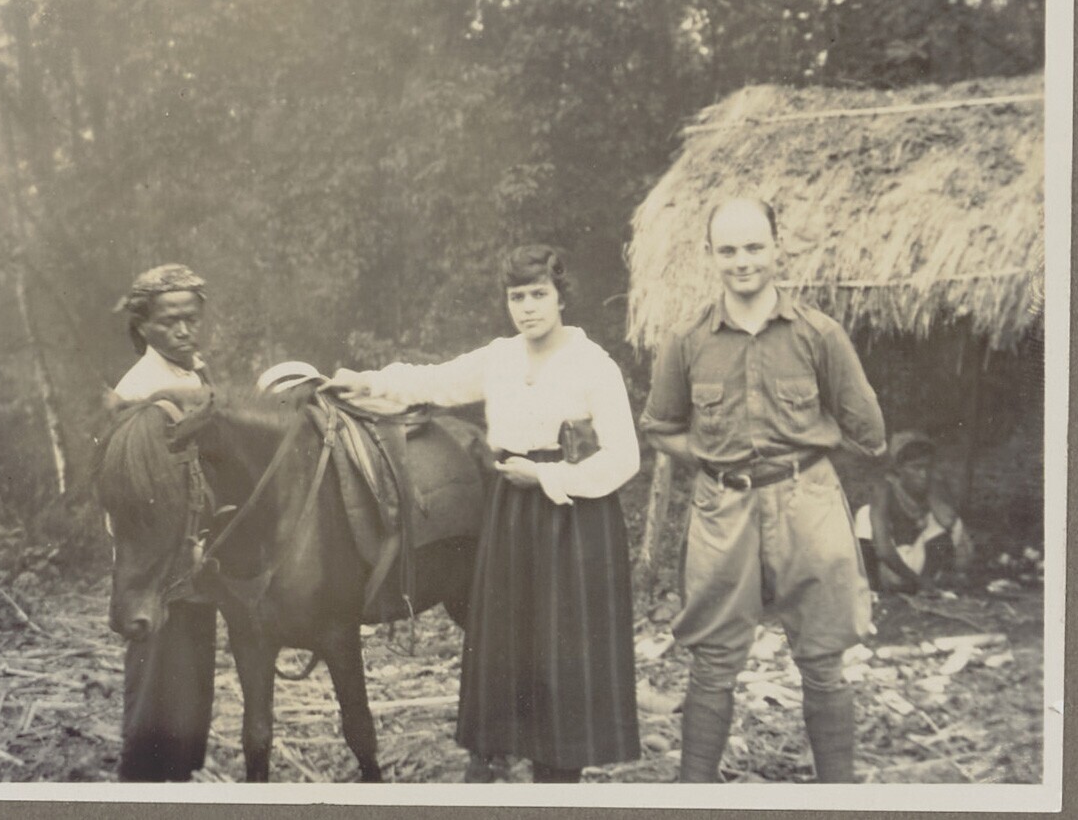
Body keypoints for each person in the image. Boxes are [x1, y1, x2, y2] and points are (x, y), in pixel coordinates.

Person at [325, 245, 642, 783]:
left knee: (562, 644)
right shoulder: (501, 358)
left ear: (561, 297)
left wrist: (550, 478)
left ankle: (559, 777)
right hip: (512, 513)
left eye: (539, 294)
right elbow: (432, 381)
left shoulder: (593, 365)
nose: (528, 308)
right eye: (517, 297)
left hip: (574, 519)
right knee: (513, 639)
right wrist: (367, 381)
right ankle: (505, 756)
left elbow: (624, 458)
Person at [640, 198, 886, 784]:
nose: (742, 261)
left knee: (823, 657)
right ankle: (694, 794)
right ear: (710, 255)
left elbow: (870, 433)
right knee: (712, 659)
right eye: (728, 250)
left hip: (807, 502)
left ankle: (837, 795)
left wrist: (810, 460)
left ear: (778, 248)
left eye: (754, 247)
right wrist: (711, 458)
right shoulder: (687, 340)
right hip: (722, 507)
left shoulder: (820, 335)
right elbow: (660, 426)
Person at [105, 264, 218, 782]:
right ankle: (140, 788)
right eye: (171, 321)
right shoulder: (140, 390)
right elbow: (129, 495)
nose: (184, 331)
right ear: (143, 326)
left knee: (190, 681)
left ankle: (177, 781)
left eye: (191, 319)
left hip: (192, 556)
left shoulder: (193, 373)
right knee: (154, 681)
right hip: (156, 562)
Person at [855, 430, 974, 594]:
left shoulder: (933, 486)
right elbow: (883, 550)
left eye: (927, 467)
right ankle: (873, 587)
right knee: (864, 514)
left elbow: (949, 522)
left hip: (921, 569)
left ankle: (925, 585)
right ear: (899, 468)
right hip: (891, 569)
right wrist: (917, 581)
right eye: (916, 468)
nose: (923, 474)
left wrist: (931, 492)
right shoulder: (885, 490)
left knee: (945, 521)